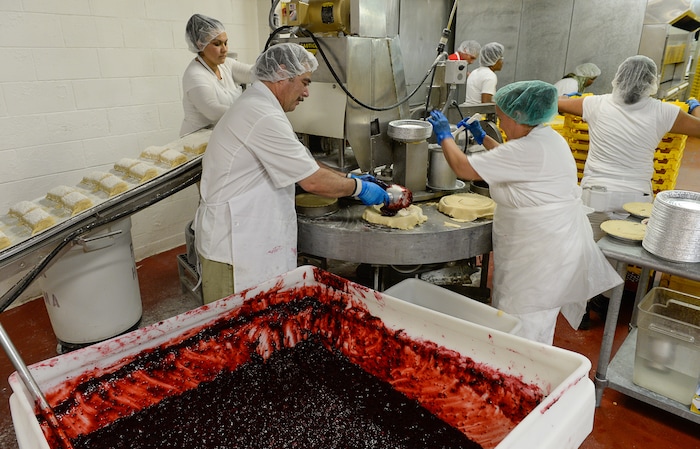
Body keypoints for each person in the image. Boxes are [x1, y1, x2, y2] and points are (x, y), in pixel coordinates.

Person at [427, 80, 622, 345]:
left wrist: (444, 135)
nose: (501, 123)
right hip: (548, 247)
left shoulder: (528, 148)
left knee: (522, 324)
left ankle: (520, 376)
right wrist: (483, 137)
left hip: (536, 258)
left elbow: (463, 168)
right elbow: (509, 160)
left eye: (501, 117)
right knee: (533, 321)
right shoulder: (546, 138)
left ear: (519, 116)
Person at [193, 43, 390, 303]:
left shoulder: (261, 105)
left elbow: (304, 163)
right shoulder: (262, 114)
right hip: (234, 249)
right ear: (283, 74)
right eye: (305, 82)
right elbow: (311, 180)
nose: (307, 93)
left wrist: (348, 178)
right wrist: (359, 189)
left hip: (247, 240)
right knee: (233, 331)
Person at [558, 55, 700, 241]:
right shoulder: (665, 112)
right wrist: (695, 107)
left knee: (587, 251)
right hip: (636, 198)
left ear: (618, 77)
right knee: (623, 256)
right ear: (652, 81)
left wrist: (569, 98)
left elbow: (554, 101)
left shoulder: (594, 104)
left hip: (595, 194)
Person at [180, 14, 254, 136]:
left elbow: (252, 73)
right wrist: (251, 112)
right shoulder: (195, 75)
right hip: (197, 142)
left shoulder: (225, 64)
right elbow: (213, 111)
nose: (225, 49)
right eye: (217, 44)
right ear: (200, 45)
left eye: (226, 43)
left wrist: (277, 65)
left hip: (221, 134)